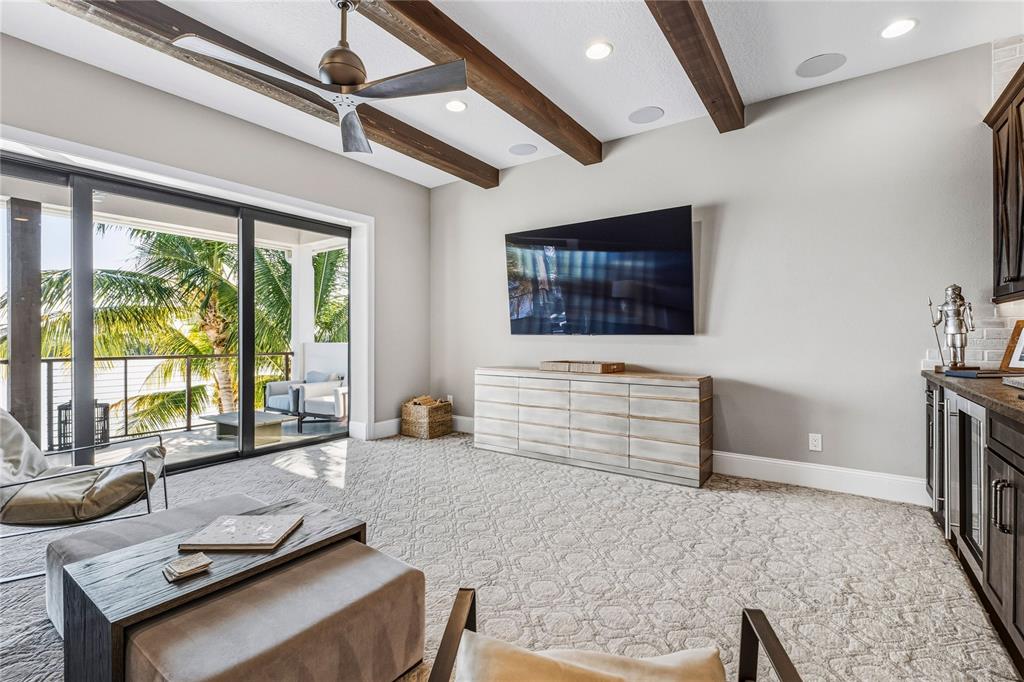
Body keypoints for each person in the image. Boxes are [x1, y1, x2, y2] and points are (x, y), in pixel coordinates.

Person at [931, 284, 975, 368]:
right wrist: (935, 323)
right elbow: (939, 319)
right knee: (951, 344)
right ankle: (953, 360)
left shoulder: (963, 304)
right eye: (947, 294)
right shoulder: (943, 306)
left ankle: (961, 361)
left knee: (960, 344)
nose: (949, 296)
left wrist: (971, 326)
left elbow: (970, 316)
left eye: (950, 294)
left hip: (960, 326)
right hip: (949, 327)